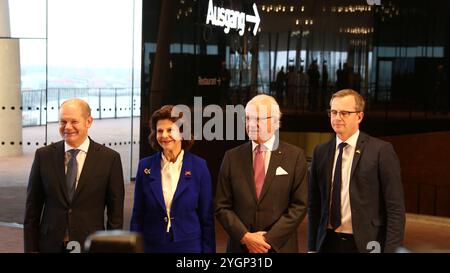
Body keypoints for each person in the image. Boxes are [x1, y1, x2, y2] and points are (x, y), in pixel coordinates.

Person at [308, 89, 405, 253]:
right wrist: (311, 248)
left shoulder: (381, 151)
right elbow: (314, 206)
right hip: (327, 242)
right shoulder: (320, 152)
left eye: (344, 113)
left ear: (359, 116)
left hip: (367, 244)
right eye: (334, 112)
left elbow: (395, 209)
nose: (337, 118)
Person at [24, 98, 125, 253]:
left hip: (91, 246)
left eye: (74, 121)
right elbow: (32, 210)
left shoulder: (109, 159)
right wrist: (31, 250)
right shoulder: (43, 156)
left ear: (89, 122)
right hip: (50, 245)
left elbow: (115, 214)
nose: (67, 127)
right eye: (63, 121)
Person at [215, 94, 308, 253]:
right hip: (241, 248)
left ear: (275, 122)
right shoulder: (231, 157)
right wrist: (245, 237)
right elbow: (221, 206)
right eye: (248, 118)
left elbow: (299, 206)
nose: (251, 124)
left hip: (280, 247)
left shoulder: (295, 156)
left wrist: (267, 240)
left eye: (258, 119)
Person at [130, 105, 215, 253]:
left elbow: (206, 218)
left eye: (170, 130)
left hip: (189, 246)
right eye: (160, 131)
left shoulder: (199, 166)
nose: (164, 135)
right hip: (152, 246)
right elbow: (137, 215)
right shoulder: (145, 167)